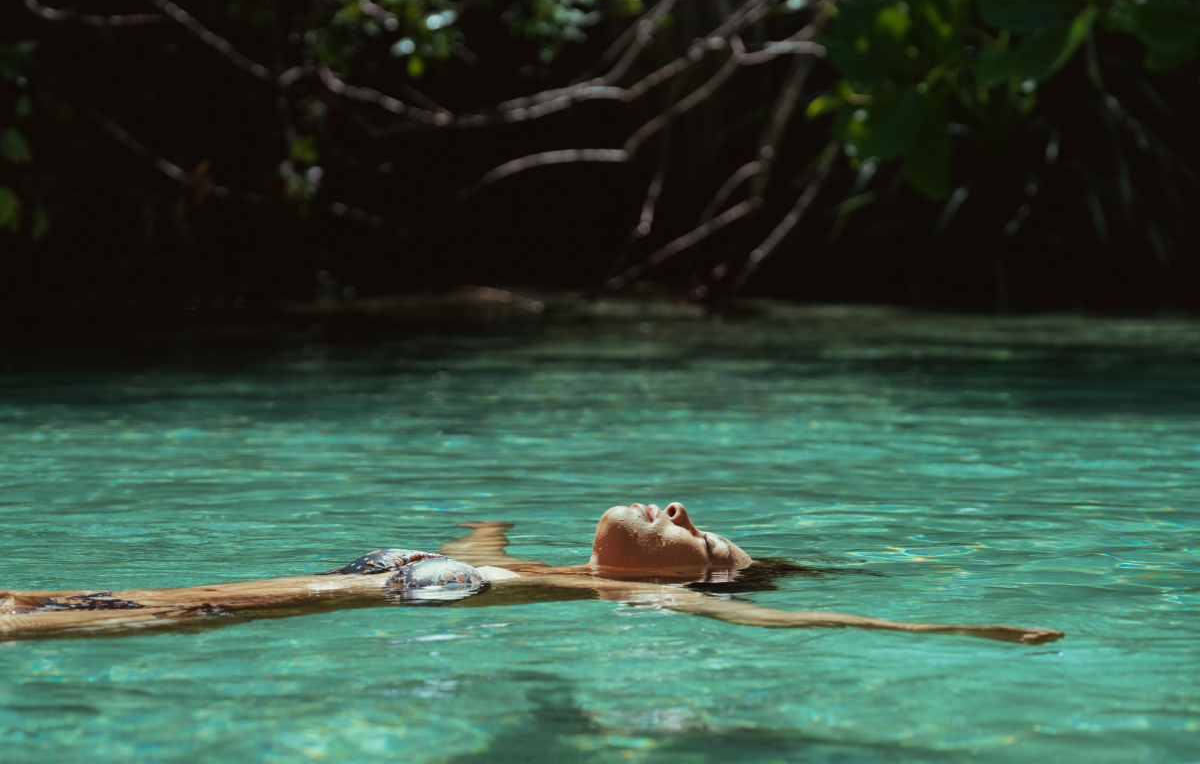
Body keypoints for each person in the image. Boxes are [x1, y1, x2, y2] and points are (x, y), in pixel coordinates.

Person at [0, 502, 1064, 644]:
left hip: (202, 615)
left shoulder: (625, 590)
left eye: (706, 539)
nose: (682, 512)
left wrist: (955, 635)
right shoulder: (518, 565)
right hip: (178, 583)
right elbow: (482, 547)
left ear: (698, 580)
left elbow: (805, 624)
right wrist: (488, 522)